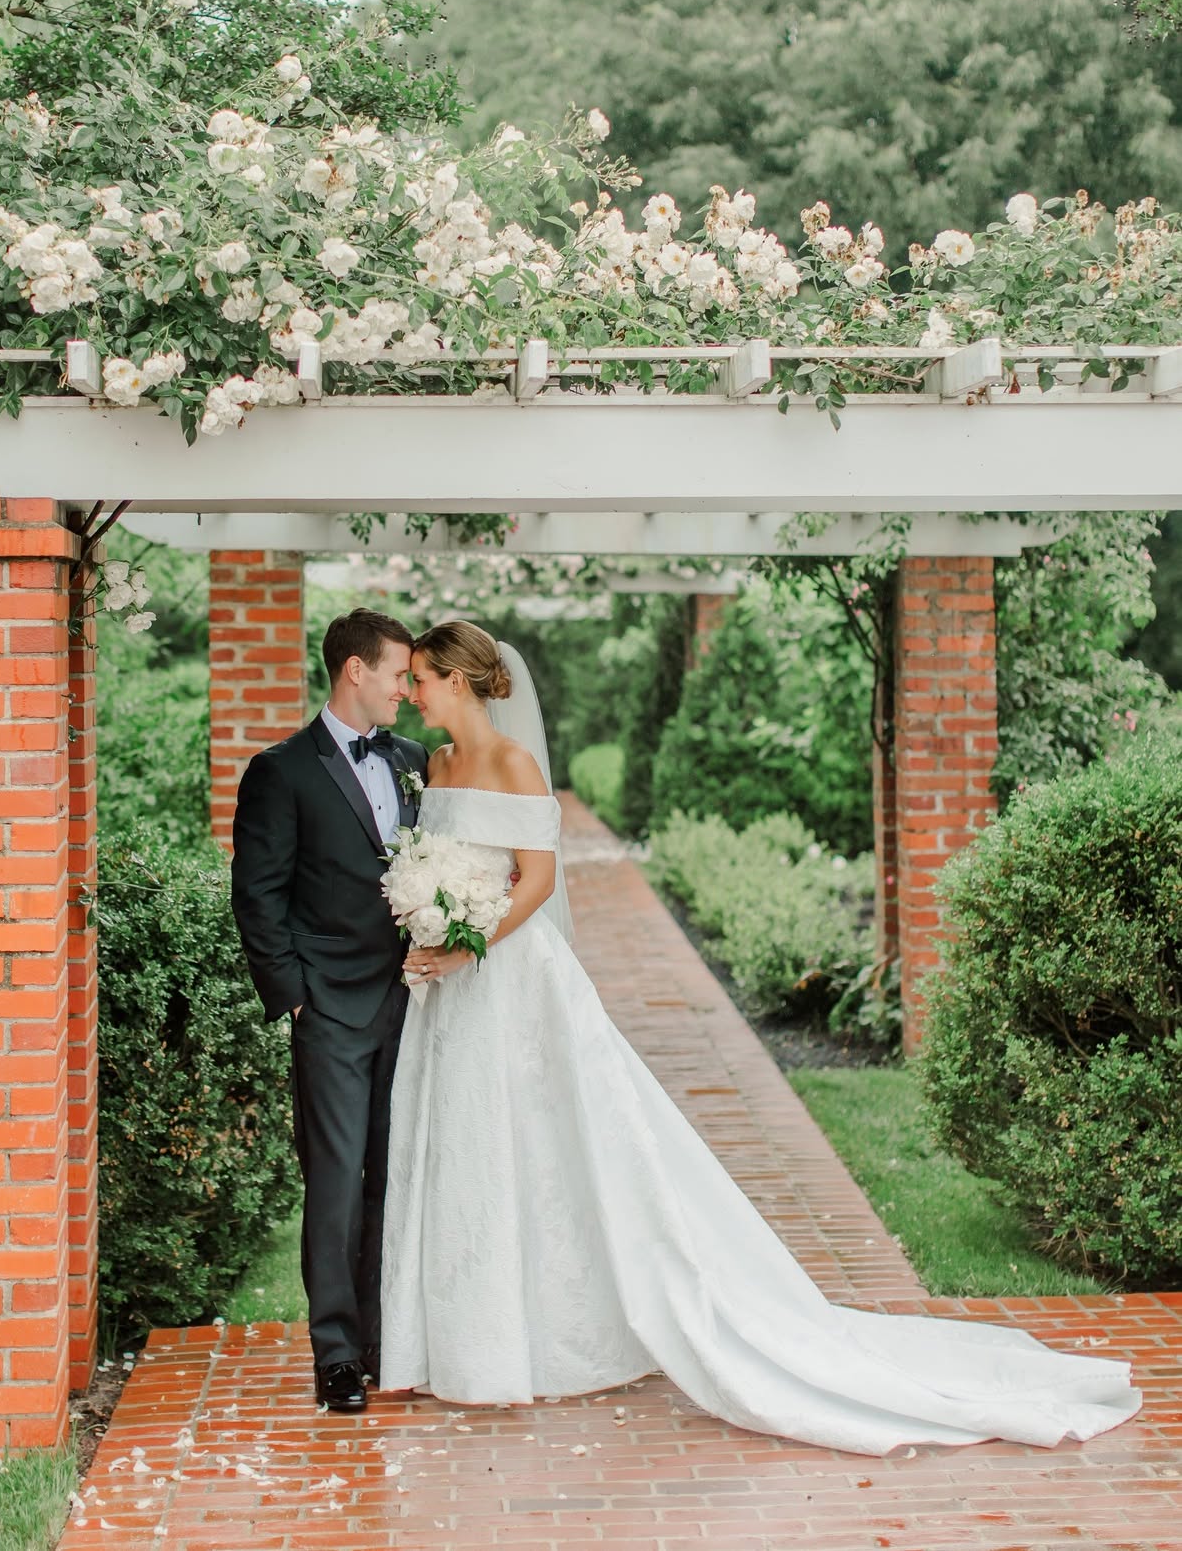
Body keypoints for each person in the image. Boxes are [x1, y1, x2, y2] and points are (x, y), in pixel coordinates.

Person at [379, 619, 1142, 1457]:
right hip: (447, 994)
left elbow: (539, 879)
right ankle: (468, 1337)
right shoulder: (434, 765)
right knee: (465, 1146)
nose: (410, 690)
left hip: (510, 978)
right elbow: (437, 859)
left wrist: (469, 940)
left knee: (549, 1142)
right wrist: (429, 923)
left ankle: (554, 1333)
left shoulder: (514, 765)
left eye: (419, 676)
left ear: (458, 679)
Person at [231, 608, 428, 1413]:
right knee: (337, 1183)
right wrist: (297, 1003)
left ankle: (387, 1341)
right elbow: (257, 897)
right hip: (333, 1012)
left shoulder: (415, 762)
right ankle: (337, 1357)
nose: (406, 691)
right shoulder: (281, 772)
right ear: (355, 670)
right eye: (397, 675)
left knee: (396, 1175)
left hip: (416, 1001)